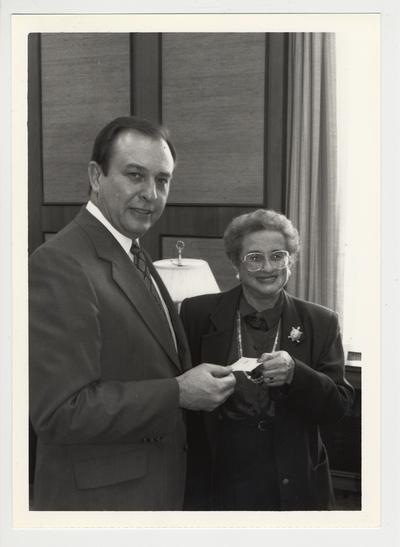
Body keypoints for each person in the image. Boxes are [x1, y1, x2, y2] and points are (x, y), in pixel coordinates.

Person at [29, 116, 236, 511]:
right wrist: (179, 391)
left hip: (151, 490)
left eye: (162, 180)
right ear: (96, 175)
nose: (151, 194)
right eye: (135, 175)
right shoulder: (59, 264)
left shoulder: (133, 251)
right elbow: (60, 412)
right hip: (102, 503)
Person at [180, 209, 354, 511]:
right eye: (254, 257)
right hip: (219, 478)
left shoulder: (321, 321)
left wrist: (296, 375)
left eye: (278, 256)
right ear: (236, 262)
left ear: (291, 261)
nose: (267, 267)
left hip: (293, 479)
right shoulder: (196, 314)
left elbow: (338, 407)